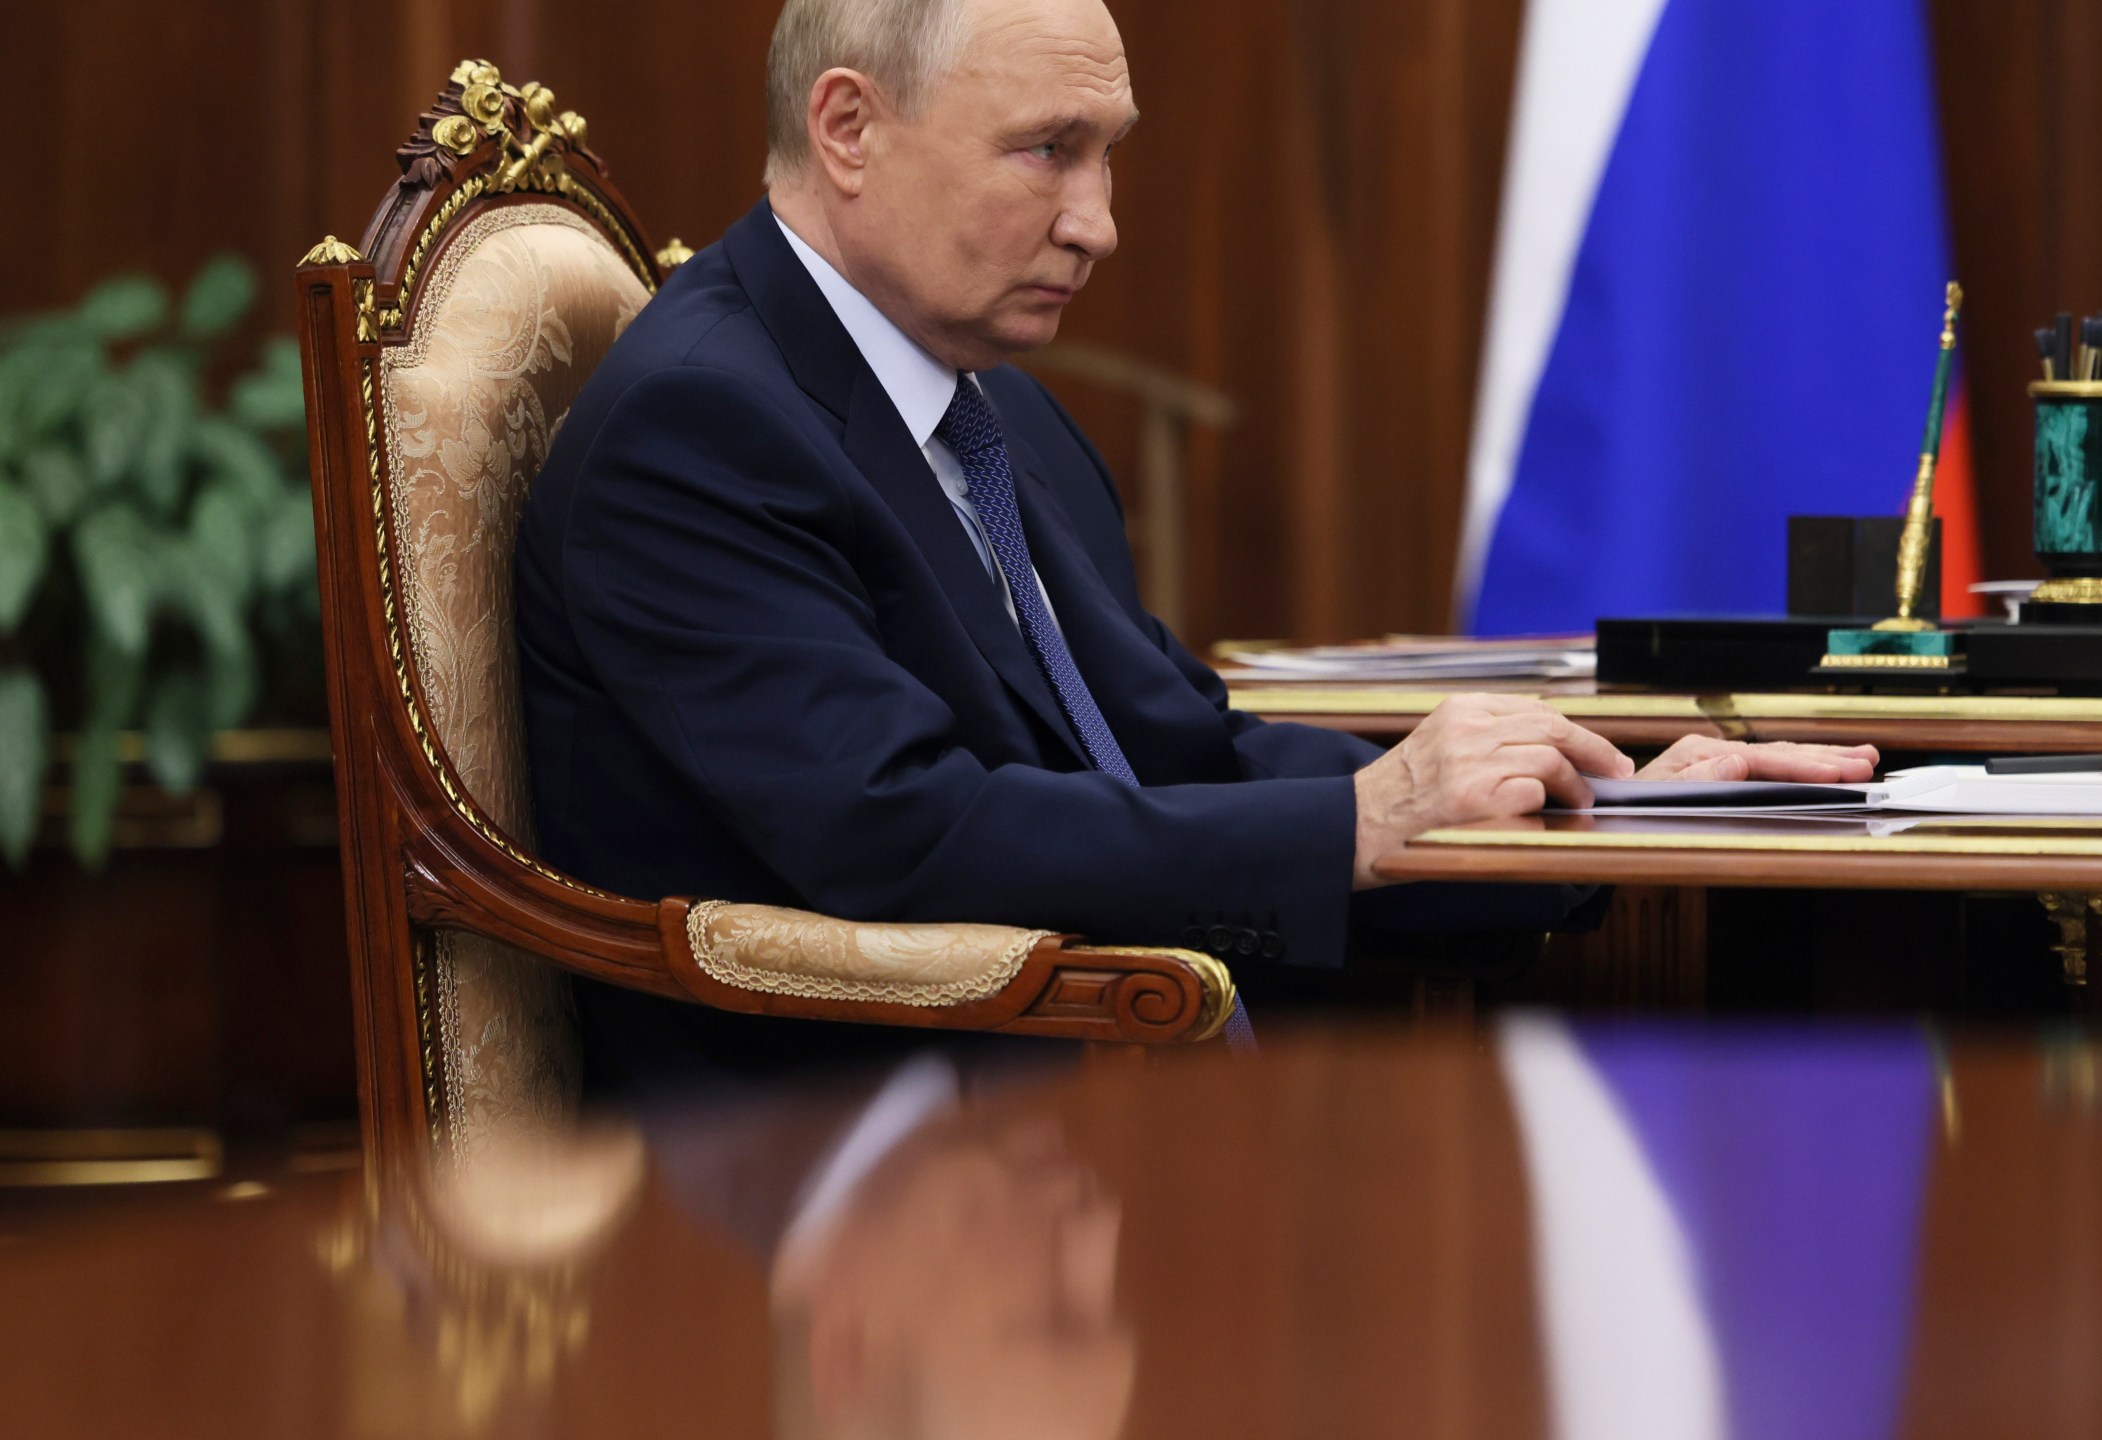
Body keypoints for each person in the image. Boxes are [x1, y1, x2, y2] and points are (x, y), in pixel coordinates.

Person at [512, 0, 1876, 1083]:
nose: (1100, 222)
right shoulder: (697, 428)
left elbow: (1179, 749)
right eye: (1049, 149)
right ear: (851, 127)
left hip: (1080, 1095)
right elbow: (903, 841)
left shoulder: (1003, 419)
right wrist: (1361, 823)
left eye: (1109, 153)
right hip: (829, 1174)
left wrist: (1597, 808)